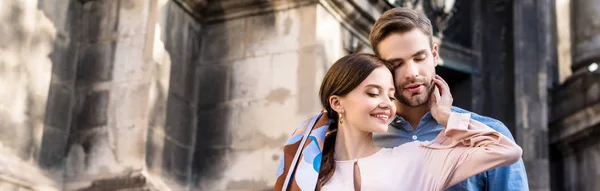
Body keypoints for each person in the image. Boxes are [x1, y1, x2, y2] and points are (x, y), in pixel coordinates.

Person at [274, 53, 522, 191]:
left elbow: (506, 150)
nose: (387, 104)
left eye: (391, 96)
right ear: (337, 103)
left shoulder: (416, 158)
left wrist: (447, 117)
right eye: (373, 93)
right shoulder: (307, 170)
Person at [369, 8, 529, 191]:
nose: (412, 73)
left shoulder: (491, 136)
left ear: (435, 55)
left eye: (419, 58)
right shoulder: (364, 138)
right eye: (396, 65)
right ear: (379, 67)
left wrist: (450, 121)